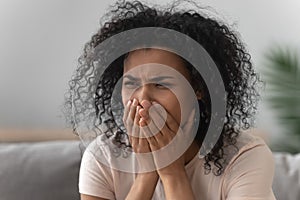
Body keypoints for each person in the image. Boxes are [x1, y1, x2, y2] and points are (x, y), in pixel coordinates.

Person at [64, 0, 276, 199]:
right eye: (131, 84)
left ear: (198, 88)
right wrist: (146, 177)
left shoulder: (244, 157)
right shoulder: (103, 157)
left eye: (161, 84)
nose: (143, 100)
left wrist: (173, 174)